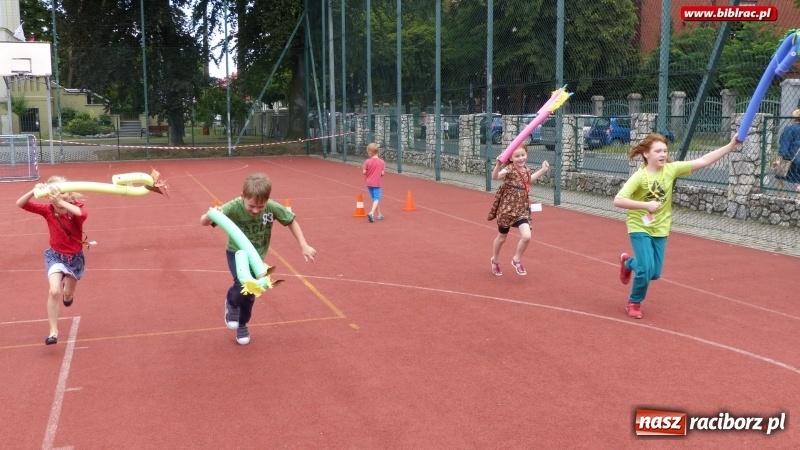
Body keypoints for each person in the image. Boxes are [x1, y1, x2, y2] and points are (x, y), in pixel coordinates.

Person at [614, 133, 742, 319]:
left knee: (654, 273)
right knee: (644, 270)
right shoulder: (639, 177)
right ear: (646, 154)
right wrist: (646, 205)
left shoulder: (671, 169)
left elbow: (704, 160)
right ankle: (634, 302)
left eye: (665, 150)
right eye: (658, 151)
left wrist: (730, 146)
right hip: (639, 226)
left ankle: (628, 262)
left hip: (661, 227)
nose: (663, 154)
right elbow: (618, 200)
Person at [200, 173, 316, 345]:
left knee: (251, 293)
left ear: (267, 200)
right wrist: (211, 214)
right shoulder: (233, 206)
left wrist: (304, 245)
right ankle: (231, 304)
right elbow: (203, 221)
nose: (255, 210)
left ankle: (242, 324)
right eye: (251, 206)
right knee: (242, 283)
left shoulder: (272, 207)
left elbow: (291, 221)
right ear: (242, 197)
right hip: (236, 252)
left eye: (260, 207)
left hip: (258, 257)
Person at [16, 176, 88, 345]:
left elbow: (82, 214)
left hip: (74, 258)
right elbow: (21, 203)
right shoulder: (48, 210)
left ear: (68, 195)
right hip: (55, 256)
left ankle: (67, 294)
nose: (58, 197)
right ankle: (53, 332)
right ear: (48, 196)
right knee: (53, 291)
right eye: (54, 194)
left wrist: (61, 202)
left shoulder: (75, 209)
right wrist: (34, 191)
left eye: (62, 194)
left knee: (67, 294)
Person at [487, 144, 550, 276]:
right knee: (501, 238)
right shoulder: (509, 169)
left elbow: (529, 180)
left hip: (521, 209)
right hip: (507, 210)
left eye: (523, 155)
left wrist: (542, 170)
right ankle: (495, 261)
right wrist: (498, 164)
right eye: (517, 156)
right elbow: (495, 176)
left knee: (527, 236)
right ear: (510, 157)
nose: (521, 158)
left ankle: (516, 259)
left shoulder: (526, 169)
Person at [776, 108, 800, 193]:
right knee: (797, 180)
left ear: (793, 118)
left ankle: (782, 196)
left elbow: (785, 143)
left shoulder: (790, 128)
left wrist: (780, 157)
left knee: (779, 176)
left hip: (791, 157)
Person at [362, 142, 386, 222]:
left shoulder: (367, 161)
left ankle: (379, 214)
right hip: (376, 183)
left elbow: (364, 172)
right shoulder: (382, 162)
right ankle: (372, 212)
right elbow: (382, 173)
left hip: (369, 183)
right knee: (377, 198)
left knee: (375, 199)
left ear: (369, 152)